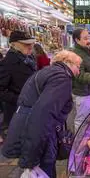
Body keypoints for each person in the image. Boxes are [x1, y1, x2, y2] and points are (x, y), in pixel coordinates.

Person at [2, 50, 82, 178]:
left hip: (29, 131)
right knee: (45, 171)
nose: (79, 71)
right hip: (39, 135)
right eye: (78, 67)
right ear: (68, 63)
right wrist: (31, 157)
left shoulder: (46, 72)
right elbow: (43, 116)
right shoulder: (61, 78)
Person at [0, 31, 36, 133]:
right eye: (26, 44)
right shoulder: (7, 63)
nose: (30, 46)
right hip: (17, 111)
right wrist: (19, 99)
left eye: (31, 44)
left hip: (31, 106)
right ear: (14, 44)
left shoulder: (29, 59)